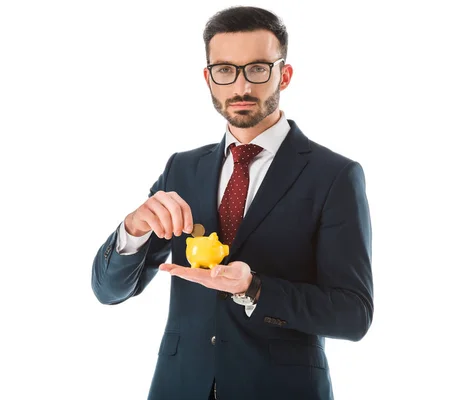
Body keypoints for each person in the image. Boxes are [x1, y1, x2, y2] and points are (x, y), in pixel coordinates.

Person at [91, 6, 373, 400]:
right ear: (208, 78)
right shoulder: (182, 168)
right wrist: (133, 230)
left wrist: (255, 288)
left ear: (284, 75)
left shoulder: (334, 175)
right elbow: (109, 290)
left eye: (257, 68)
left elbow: (353, 314)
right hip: (179, 387)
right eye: (225, 70)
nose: (240, 87)